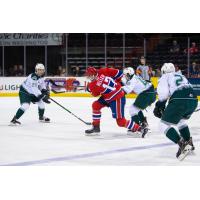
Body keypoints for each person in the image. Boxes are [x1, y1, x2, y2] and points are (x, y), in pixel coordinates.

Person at [153, 63, 198, 161]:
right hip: (194, 100)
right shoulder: (181, 75)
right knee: (181, 121)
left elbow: (163, 94)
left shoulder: (165, 77)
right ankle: (188, 142)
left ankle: (182, 144)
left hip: (179, 100)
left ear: (163, 71)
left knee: (162, 125)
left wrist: (159, 105)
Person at [85, 66, 146, 137]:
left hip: (117, 98)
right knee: (96, 105)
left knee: (121, 122)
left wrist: (89, 89)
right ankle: (96, 127)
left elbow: (95, 94)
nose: (88, 77)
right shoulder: (103, 70)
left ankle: (140, 129)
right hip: (111, 95)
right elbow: (119, 73)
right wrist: (120, 83)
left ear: (93, 75)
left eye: (89, 75)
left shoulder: (92, 85)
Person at [122, 67, 156, 135]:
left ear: (129, 74)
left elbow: (127, 90)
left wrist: (116, 89)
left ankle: (136, 127)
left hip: (146, 94)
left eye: (125, 75)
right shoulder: (135, 77)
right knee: (136, 108)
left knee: (132, 109)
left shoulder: (132, 80)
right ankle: (144, 123)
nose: (125, 76)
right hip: (150, 93)